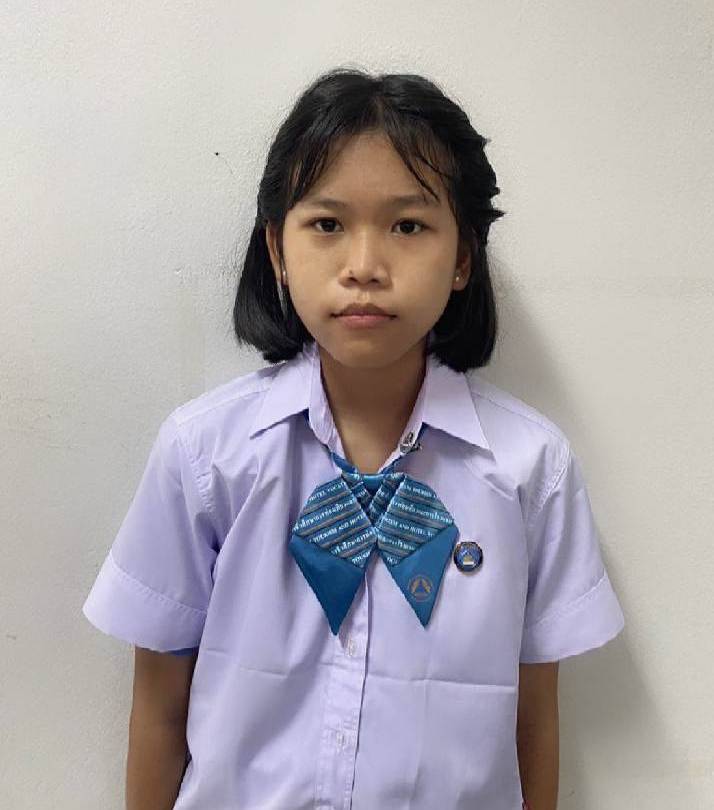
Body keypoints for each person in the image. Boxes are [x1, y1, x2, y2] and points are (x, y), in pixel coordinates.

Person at [82, 66, 625, 810]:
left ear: (463, 257)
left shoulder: (531, 469)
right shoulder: (205, 456)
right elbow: (158, 705)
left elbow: (534, 717)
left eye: (408, 226)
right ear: (277, 250)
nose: (364, 267)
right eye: (327, 225)